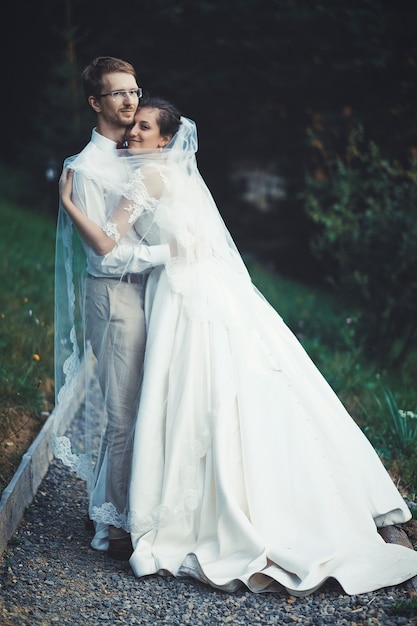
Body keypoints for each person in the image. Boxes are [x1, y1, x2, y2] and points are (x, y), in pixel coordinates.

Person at [58, 97, 417, 597]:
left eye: (143, 127)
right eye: (133, 126)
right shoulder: (180, 176)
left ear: (165, 139)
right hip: (214, 288)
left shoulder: (150, 178)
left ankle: (178, 509)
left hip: (180, 293)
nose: (132, 134)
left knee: (187, 393)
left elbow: (106, 244)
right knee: (237, 384)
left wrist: (72, 205)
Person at [53, 59, 176, 562]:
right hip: (116, 295)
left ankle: (119, 509)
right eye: (117, 94)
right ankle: (110, 529)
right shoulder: (86, 168)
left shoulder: (132, 156)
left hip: (145, 292)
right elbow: (104, 258)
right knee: (122, 416)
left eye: (134, 91)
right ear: (95, 103)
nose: (129, 101)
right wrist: (167, 256)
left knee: (140, 409)